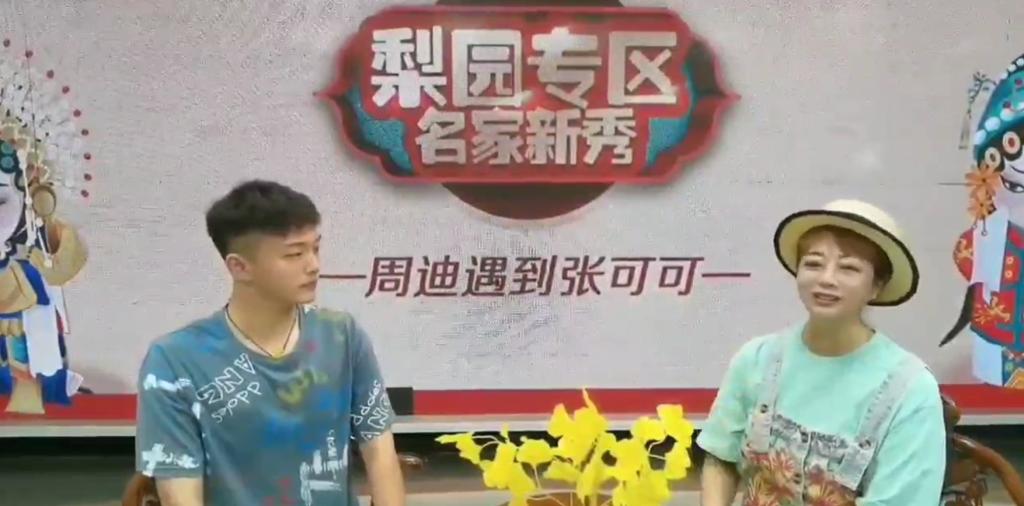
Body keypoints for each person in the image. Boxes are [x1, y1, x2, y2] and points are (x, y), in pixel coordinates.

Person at [134, 179, 406, 505]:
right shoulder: (175, 361)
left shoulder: (341, 335)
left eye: (316, 248)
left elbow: (380, 454)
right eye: (295, 254)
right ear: (240, 267)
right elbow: (180, 493)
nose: (314, 265)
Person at [697, 199, 946, 505]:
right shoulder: (757, 359)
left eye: (849, 268)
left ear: (876, 286)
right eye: (814, 263)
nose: (826, 279)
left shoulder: (911, 391)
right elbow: (720, 457)